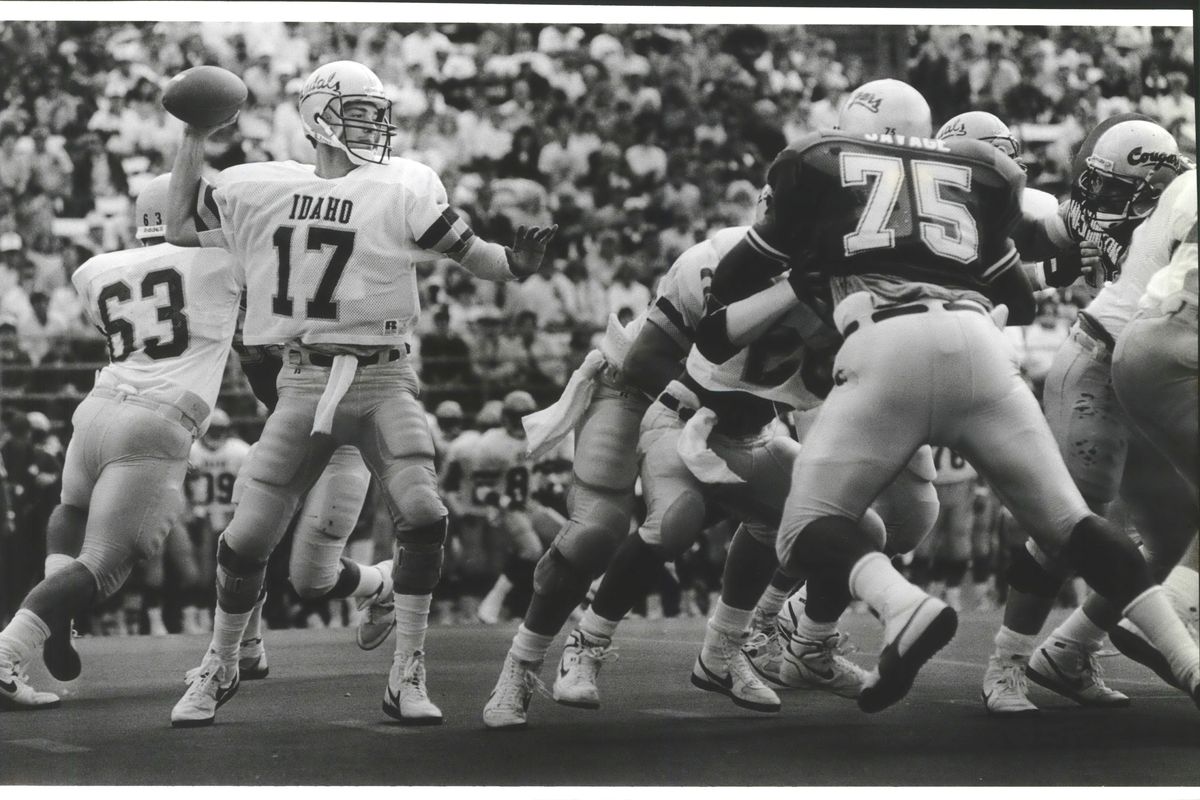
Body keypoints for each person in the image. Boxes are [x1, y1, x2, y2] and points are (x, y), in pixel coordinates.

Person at [701, 78, 1199, 714]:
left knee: (813, 526)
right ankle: (1188, 664)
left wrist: (808, 268)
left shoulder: (818, 162)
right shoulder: (980, 179)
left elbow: (738, 278)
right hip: (980, 352)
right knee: (1069, 523)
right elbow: (1017, 296)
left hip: (882, 350)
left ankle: (897, 607)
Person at [165, 60, 554, 727]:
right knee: (246, 537)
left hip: (382, 377)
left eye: (378, 113)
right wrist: (194, 138)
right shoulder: (258, 185)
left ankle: (407, 670)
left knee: (425, 514)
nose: (373, 125)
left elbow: (473, 254)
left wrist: (513, 264)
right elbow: (176, 228)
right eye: (358, 111)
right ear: (318, 114)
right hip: (301, 379)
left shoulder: (403, 185)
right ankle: (222, 660)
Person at [0, 173, 242, 710]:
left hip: (97, 411)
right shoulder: (224, 262)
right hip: (156, 423)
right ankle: (9, 647)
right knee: (107, 563)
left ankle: (52, 619)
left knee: (72, 509)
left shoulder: (95, 269)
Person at [981, 118, 1196, 716]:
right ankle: (1008, 663)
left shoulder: (1179, 200)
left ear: (1156, 176)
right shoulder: (1117, 207)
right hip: (1102, 357)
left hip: (1153, 366)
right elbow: (1039, 237)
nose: (1097, 199)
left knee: (1171, 532)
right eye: (1095, 184)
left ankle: (1070, 649)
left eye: (1112, 185)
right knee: (1071, 519)